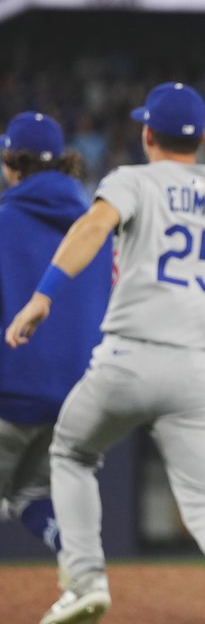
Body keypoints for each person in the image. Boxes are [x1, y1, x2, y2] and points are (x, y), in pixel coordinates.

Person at [4, 83, 205, 624]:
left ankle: (86, 581)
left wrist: (43, 297)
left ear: (147, 134)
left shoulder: (134, 179)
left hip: (129, 356)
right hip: (197, 368)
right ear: (204, 138)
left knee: (73, 455)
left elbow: (91, 228)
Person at [0, 113, 110, 567]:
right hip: (79, 400)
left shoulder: (3, 220)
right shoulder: (98, 227)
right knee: (31, 492)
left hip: (10, 398)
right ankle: (79, 563)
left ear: (12, 164)